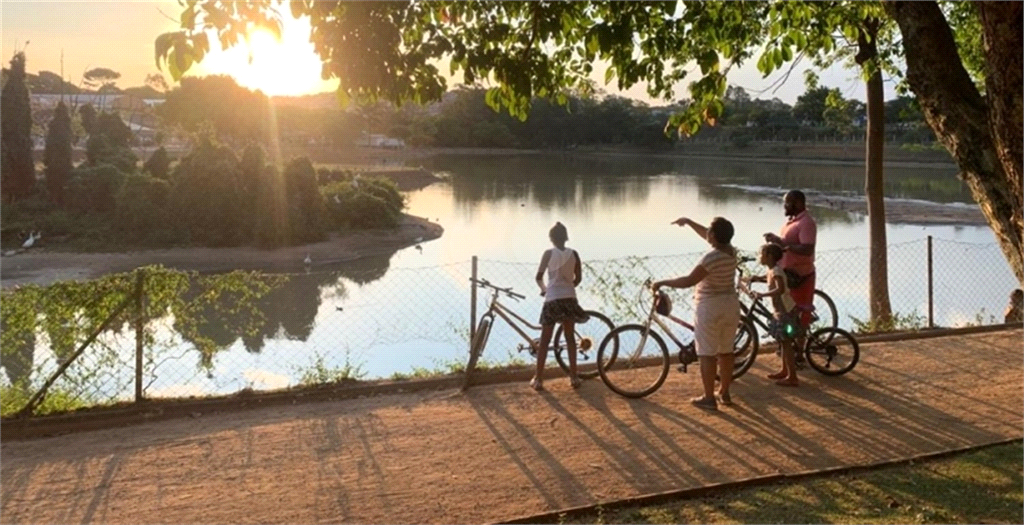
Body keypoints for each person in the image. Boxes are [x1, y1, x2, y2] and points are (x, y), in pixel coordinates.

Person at [654, 216, 739, 411]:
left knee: (707, 354)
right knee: (726, 351)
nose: (707, 233)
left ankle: (709, 398)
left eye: (710, 230)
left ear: (715, 236)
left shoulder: (710, 258)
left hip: (710, 306)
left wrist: (663, 282)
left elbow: (689, 281)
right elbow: (709, 236)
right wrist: (690, 223)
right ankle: (724, 392)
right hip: (731, 304)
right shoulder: (731, 251)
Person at [532, 222, 588, 392]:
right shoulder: (574, 254)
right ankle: (573, 376)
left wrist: (545, 289)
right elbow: (578, 278)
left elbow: (539, 277)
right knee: (570, 338)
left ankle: (539, 379)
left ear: (551, 238)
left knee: (545, 340)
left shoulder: (548, 254)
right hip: (569, 297)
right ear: (566, 237)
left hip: (553, 298)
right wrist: (568, 286)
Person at [763, 190, 817, 352]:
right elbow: (786, 244)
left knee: (799, 313)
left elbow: (807, 249)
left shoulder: (806, 223)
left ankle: (799, 349)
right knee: (787, 311)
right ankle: (788, 347)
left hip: (800, 276)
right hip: (786, 275)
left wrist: (785, 245)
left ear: (798, 203)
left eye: (787, 202)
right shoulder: (792, 221)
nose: (784, 206)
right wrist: (777, 242)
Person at [751, 243, 800, 386]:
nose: (760, 256)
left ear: (770, 256)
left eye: (762, 254)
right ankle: (785, 371)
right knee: (783, 343)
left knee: (786, 343)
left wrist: (762, 294)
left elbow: (780, 289)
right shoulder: (772, 270)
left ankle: (793, 377)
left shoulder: (777, 271)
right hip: (779, 311)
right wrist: (755, 278)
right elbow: (767, 277)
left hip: (785, 311)